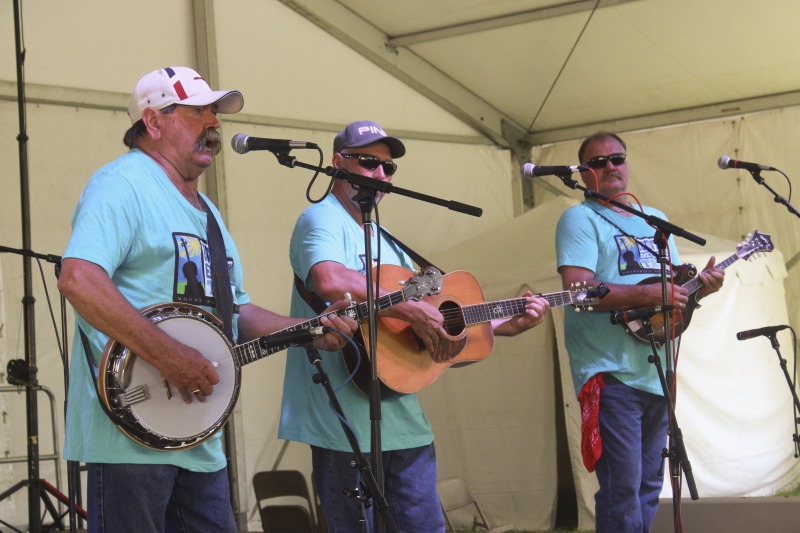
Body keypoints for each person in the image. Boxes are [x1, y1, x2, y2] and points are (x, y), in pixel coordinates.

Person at [57, 66, 356, 533]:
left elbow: (234, 312)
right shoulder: (122, 184)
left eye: (215, 112)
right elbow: (78, 278)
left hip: (198, 435)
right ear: (154, 122)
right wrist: (170, 355)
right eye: (198, 112)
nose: (213, 123)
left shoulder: (209, 213)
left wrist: (311, 330)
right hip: (128, 433)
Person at [279, 120, 551, 532]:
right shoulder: (321, 219)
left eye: (389, 169)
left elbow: (419, 336)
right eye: (369, 163)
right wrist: (411, 309)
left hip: (404, 421)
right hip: (345, 423)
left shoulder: (387, 240)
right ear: (338, 163)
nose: (381, 175)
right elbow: (329, 280)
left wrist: (504, 323)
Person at [555, 131, 725, 532]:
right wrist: (647, 291)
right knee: (623, 488)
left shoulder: (657, 220)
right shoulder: (579, 218)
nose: (611, 166)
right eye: (598, 162)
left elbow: (670, 303)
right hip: (611, 372)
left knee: (649, 486)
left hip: (657, 375)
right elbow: (577, 292)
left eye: (617, 158)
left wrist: (697, 291)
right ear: (584, 173)